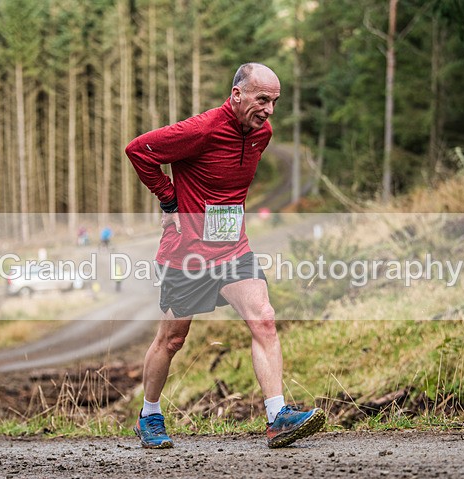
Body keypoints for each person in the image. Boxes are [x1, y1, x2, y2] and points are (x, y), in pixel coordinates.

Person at [125, 62, 325, 449]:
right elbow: (139, 150)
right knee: (172, 339)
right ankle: (149, 415)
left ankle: (277, 416)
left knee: (263, 318)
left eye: (274, 102)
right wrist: (170, 201)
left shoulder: (261, 134)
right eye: (262, 99)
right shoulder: (201, 129)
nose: (269, 110)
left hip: (233, 249)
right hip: (188, 255)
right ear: (237, 95)